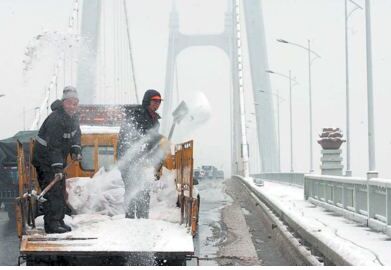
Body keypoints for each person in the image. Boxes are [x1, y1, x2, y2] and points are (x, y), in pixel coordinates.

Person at [32, 86, 82, 234]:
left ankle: (59, 220)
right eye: (69, 103)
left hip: (57, 160)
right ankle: (52, 225)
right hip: (44, 161)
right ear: (63, 103)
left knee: (59, 190)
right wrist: (57, 168)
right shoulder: (55, 119)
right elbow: (53, 146)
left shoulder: (73, 118)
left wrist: (76, 149)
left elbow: (76, 135)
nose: (72, 106)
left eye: (75, 103)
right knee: (53, 192)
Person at [118, 89, 164, 219]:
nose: (157, 104)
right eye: (154, 101)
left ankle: (143, 220)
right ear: (147, 101)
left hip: (144, 162)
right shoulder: (136, 116)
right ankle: (131, 221)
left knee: (144, 191)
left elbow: (152, 143)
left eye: (159, 101)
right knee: (132, 191)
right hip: (131, 161)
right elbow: (133, 138)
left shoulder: (155, 120)